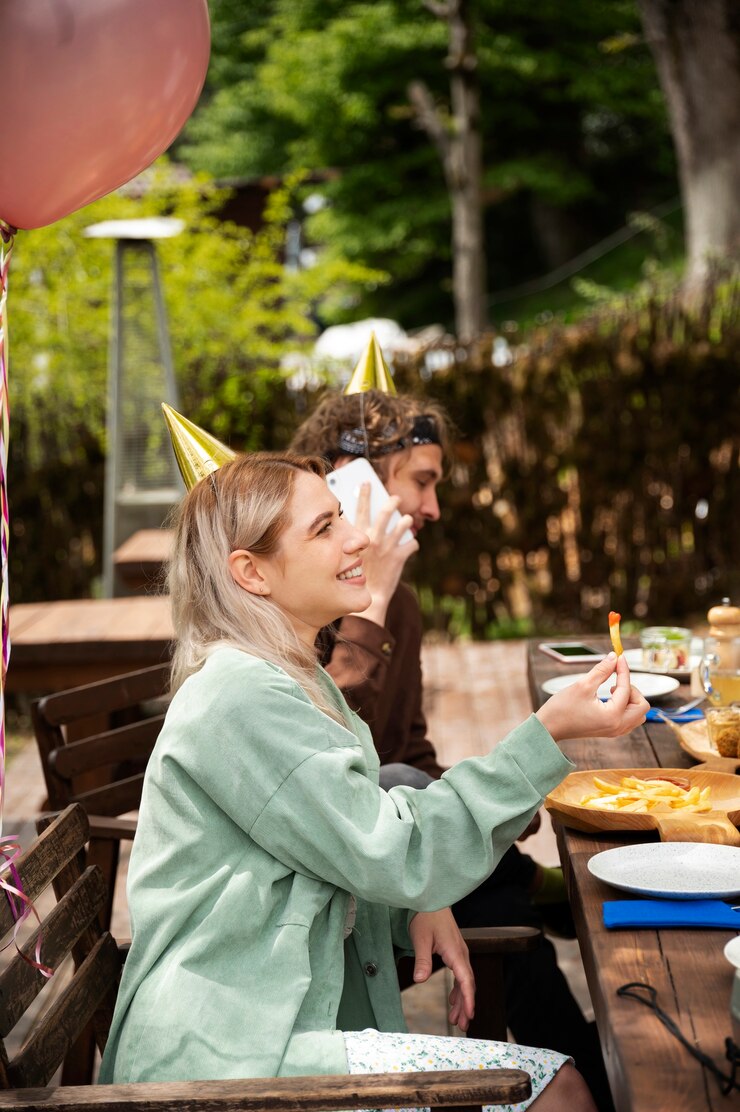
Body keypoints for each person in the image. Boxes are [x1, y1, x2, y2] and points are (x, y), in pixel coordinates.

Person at [98, 449, 647, 1111]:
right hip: (226, 1054)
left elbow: (327, 851)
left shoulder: (286, 677)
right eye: (325, 527)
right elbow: (395, 850)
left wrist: (409, 903)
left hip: (262, 1030)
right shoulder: (241, 697)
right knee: (556, 1091)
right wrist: (548, 733)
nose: (358, 537)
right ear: (251, 572)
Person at [289, 388, 616, 1108]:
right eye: (422, 481)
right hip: (341, 890)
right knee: (500, 898)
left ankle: (581, 1049)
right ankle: (587, 1054)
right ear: (356, 481)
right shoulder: (306, 609)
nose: (433, 509)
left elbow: (409, 746)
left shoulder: (394, 599)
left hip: (388, 860)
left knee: (484, 881)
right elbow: (339, 753)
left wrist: (476, 819)